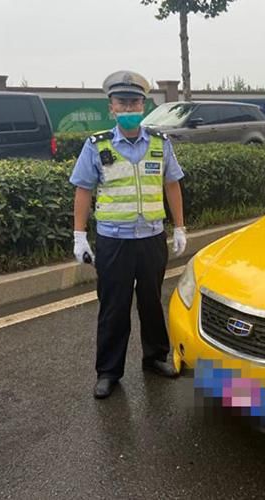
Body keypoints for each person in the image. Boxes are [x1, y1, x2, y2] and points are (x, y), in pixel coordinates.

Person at [70, 70, 187, 399]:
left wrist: (179, 226)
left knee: (151, 301)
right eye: (122, 102)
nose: (129, 107)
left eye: (135, 101)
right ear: (111, 108)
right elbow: (82, 190)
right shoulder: (97, 145)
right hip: (114, 240)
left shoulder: (159, 144)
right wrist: (79, 236)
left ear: (144, 104)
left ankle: (155, 358)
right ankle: (108, 371)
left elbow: (172, 184)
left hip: (151, 238)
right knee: (113, 306)